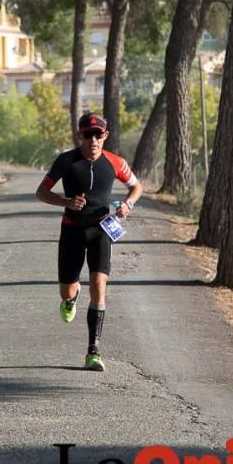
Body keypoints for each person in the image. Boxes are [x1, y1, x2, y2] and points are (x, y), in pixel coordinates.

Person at [35, 112, 143, 371]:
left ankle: (93, 351)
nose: (93, 140)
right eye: (88, 135)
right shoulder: (66, 161)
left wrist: (128, 204)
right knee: (67, 289)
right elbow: (41, 192)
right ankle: (71, 299)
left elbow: (136, 187)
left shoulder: (115, 162)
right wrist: (66, 201)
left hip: (102, 230)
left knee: (99, 285)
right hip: (72, 230)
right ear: (79, 135)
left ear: (105, 136)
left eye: (98, 135)